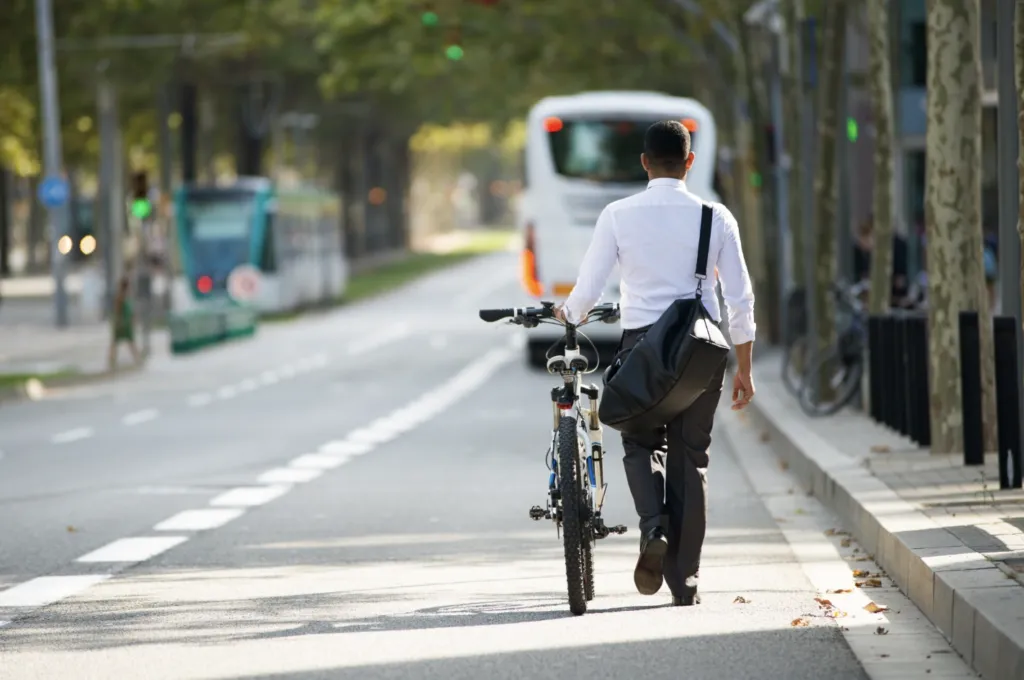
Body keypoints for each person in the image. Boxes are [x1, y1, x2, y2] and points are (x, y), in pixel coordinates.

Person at [554, 120, 757, 606]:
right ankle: (684, 583)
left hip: (642, 349)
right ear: (689, 162)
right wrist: (745, 369)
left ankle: (653, 529)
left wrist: (569, 314)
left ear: (644, 163)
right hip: (701, 353)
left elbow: (586, 290)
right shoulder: (716, 216)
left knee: (639, 440)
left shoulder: (619, 215)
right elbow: (740, 299)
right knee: (691, 459)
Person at [109, 274, 142, 369]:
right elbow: (118, 310)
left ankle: (137, 359)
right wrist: (118, 322)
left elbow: (131, 311)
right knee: (118, 342)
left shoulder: (127, 296)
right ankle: (112, 360)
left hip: (126, 323)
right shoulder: (121, 297)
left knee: (127, 342)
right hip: (122, 324)